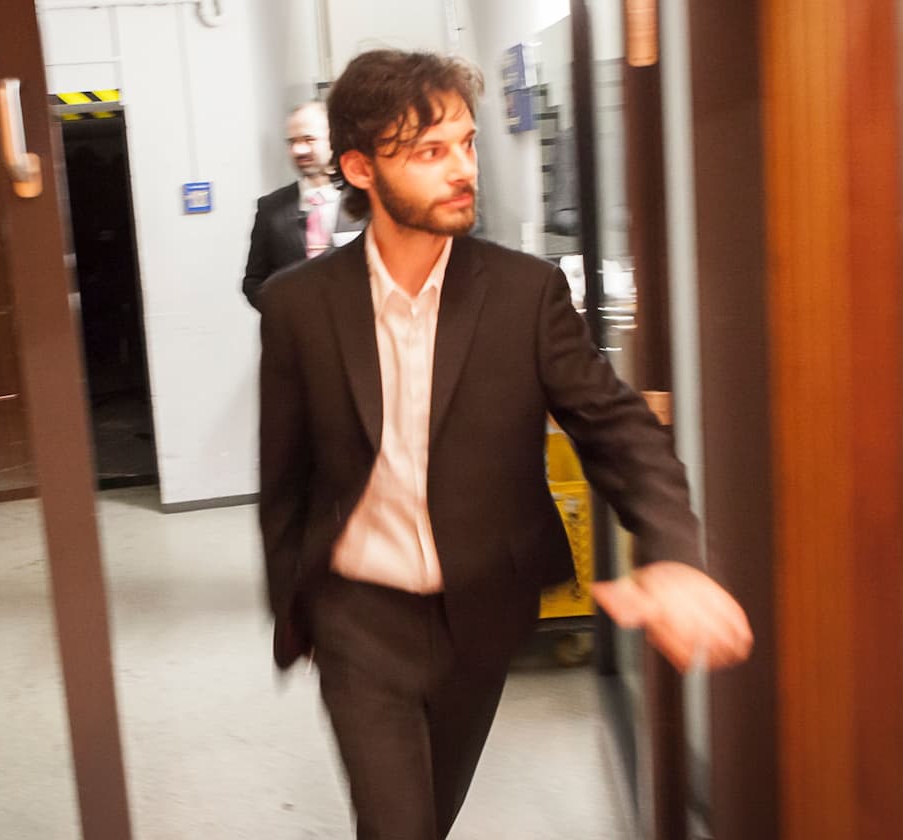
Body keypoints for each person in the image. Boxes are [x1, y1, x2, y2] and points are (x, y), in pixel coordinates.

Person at [256, 51, 752, 839]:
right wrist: (298, 604)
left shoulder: (525, 294)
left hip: (479, 615)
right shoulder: (298, 308)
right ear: (360, 167)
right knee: (397, 828)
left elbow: (616, 427)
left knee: (433, 815)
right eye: (428, 151)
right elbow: (282, 477)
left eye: (467, 143)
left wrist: (677, 553)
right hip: (357, 615)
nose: (463, 170)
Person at [241, 101, 365, 310]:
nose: (299, 150)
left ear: (333, 139)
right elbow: (253, 282)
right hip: (297, 338)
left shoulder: (365, 202)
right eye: (292, 142)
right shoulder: (270, 209)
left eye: (309, 139)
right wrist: (286, 317)